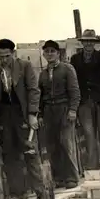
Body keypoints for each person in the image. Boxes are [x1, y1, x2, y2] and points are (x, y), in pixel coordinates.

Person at [0, 38, 47, 199]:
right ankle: (18, 192)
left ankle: (41, 191)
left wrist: (32, 113)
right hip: (5, 115)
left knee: (30, 151)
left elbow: (34, 90)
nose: (4, 60)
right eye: (1, 57)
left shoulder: (24, 66)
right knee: (9, 154)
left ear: (13, 53)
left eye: (7, 56)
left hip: (22, 113)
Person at [70, 29, 100, 169]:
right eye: (86, 41)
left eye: (91, 41)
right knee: (89, 134)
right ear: (82, 43)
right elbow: (74, 83)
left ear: (95, 43)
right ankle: (93, 165)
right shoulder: (75, 59)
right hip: (84, 102)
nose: (88, 44)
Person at [38, 40, 81, 189]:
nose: (49, 54)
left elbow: (75, 92)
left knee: (66, 143)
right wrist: (41, 115)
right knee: (52, 145)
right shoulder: (42, 74)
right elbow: (40, 96)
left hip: (64, 109)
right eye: (47, 51)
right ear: (43, 54)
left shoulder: (67, 69)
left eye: (52, 51)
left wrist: (73, 110)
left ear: (58, 53)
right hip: (49, 111)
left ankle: (72, 177)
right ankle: (58, 177)